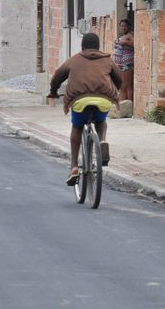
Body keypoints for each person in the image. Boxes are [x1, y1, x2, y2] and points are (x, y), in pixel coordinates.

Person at [48, 32, 122, 186]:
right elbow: (119, 79)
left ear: (82, 46)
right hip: (103, 99)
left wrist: (53, 92)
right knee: (101, 120)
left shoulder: (74, 60)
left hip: (80, 100)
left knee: (77, 126)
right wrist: (114, 89)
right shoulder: (107, 60)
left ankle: (74, 166)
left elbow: (57, 77)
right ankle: (101, 141)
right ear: (98, 46)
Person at [113, 18, 134, 108]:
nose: (123, 27)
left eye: (125, 25)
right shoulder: (122, 35)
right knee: (122, 86)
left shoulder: (130, 35)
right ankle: (122, 106)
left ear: (128, 26)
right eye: (121, 26)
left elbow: (135, 43)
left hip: (126, 64)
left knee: (128, 85)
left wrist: (125, 42)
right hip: (120, 64)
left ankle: (130, 106)